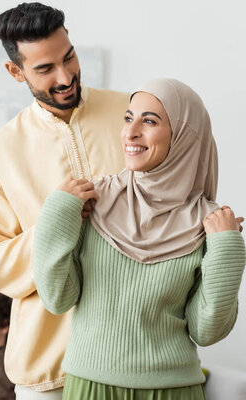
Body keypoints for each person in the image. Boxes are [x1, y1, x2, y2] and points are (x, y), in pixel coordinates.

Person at [32, 78, 246, 399]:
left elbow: (206, 331)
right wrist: (56, 212)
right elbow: (58, 298)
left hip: (173, 390)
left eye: (149, 121)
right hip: (91, 386)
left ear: (184, 136)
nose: (130, 133)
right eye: (128, 118)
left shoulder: (211, 223)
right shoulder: (92, 199)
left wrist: (227, 249)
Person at [0, 3, 128, 399]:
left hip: (135, 355)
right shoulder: (1, 150)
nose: (65, 76)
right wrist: (57, 223)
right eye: (45, 69)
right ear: (16, 71)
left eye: (69, 57)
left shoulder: (131, 113)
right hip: (50, 371)